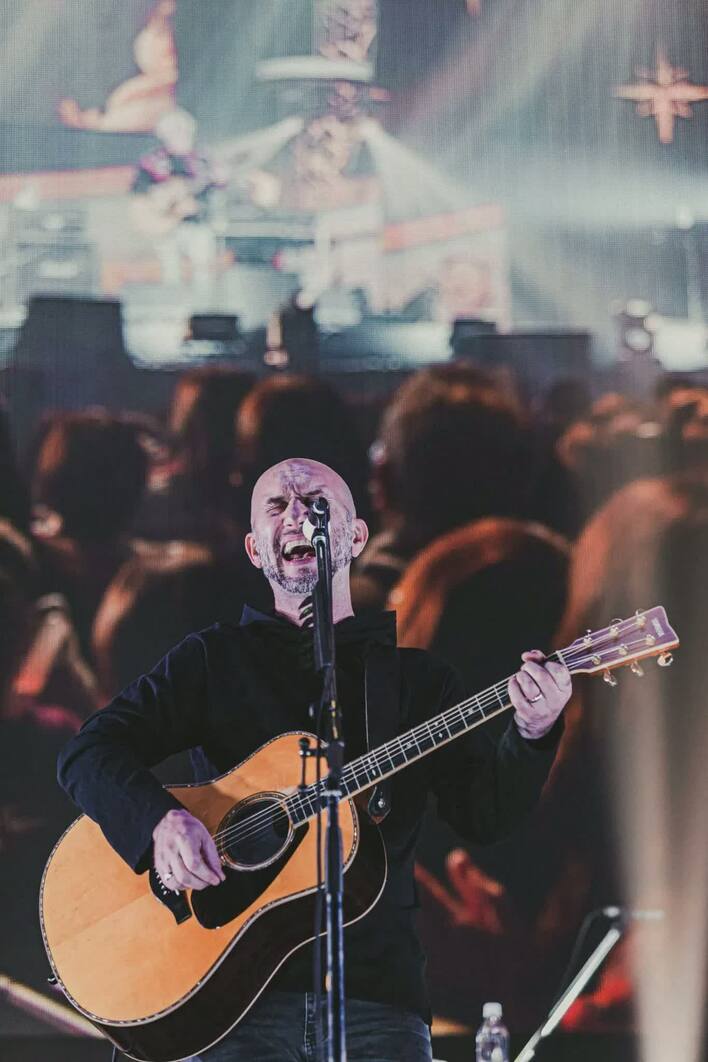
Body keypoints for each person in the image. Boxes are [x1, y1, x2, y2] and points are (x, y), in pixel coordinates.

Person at [57, 458, 571, 1061]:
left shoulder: (417, 683)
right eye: (277, 505)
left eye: (317, 503)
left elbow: (487, 816)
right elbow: (88, 751)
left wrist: (533, 731)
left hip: (378, 998)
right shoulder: (213, 661)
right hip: (229, 1002)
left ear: (356, 537)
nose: (298, 513)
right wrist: (158, 823)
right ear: (255, 549)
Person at [130, 107, 224, 301]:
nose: (179, 136)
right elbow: (139, 193)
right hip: (166, 226)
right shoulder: (152, 161)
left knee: (203, 271)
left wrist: (221, 180)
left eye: (183, 131)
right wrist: (162, 199)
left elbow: (216, 188)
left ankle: (202, 308)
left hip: (198, 224)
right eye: (173, 131)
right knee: (170, 272)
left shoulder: (204, 159)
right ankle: (172, 308)